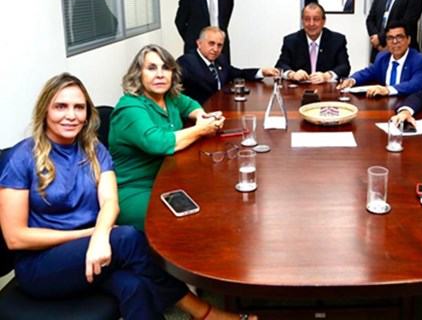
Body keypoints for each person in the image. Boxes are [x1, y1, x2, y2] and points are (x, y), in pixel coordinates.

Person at [0, 73, 255, 320]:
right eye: (60, 107)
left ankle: (205, 315)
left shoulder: (94, 149)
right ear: (45, 110)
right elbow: (15, 238)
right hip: (41, 267)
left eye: (79, 108)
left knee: (134, 287)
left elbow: (110, 201)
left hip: (94, 251)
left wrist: (100, 235)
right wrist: (94, 235)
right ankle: (205, 313)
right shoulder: (21, 158)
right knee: (126, 238)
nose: (71, 115)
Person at [109, 45, 225, 231]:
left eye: (166, 68)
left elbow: (189, 104)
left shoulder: (169, 97)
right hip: (136, 189)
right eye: (151, 68)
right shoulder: (130, 107)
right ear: (139, 74)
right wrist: (201, 130)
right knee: (190, 222)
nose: (160, 74)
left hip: (170, 180)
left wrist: (201, 116)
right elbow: (158, 143)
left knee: (217, 199)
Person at [177, 26, 279, 104]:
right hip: (198, 113)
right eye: (211, 44)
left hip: (221, 108)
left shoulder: (220, 59)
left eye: (219, 45)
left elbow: (238, 73)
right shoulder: (186, 62)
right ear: (199, 43)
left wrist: (262, 72)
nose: (215, 49)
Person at [338, 20, 422, 98]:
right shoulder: (382, 57)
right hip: (386, 106)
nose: (395, 42)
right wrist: (352, 80)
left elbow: (416, 84)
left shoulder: (420, 60)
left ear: (408, 39)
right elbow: (368, 72)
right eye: (390, 38)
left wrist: (387, 90)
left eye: (399, 37)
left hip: (413, 109)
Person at [275, 2, 350, 84]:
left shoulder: (337, 40)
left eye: (316, 19)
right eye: (307, 19)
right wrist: (292, 74)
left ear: (323, 21)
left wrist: (327, 76)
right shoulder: (291, 41)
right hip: (298, 91)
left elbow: (344, 67)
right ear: (302, 21)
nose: (311, 24)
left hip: (327, 91)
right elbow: (280, 65)